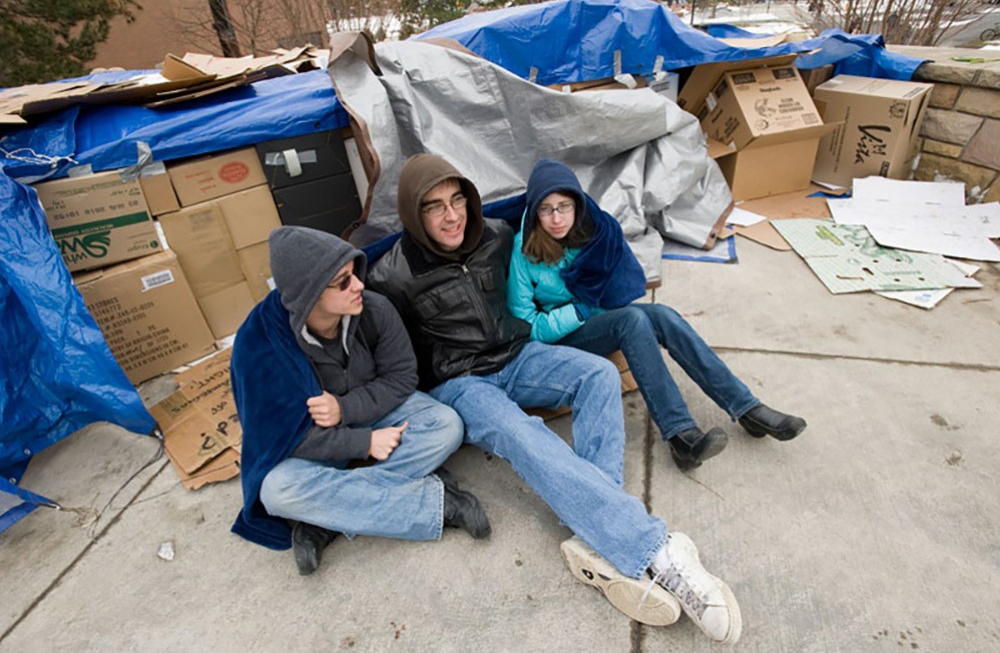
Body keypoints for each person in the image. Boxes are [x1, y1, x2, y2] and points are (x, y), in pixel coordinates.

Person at [367, 154, 742, 644]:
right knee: (520, 432)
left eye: (458, 200)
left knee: (597, 374)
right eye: (434, 207)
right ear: (413, 214)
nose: (452, 215)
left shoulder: (497, 236)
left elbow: (564, 222)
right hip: (460, 380)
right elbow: (382, 353)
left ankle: (596, 533)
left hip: (518, 354)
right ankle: (655, 551)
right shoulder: (391, 276)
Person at [507, 159, 807, 471]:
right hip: (558, 339)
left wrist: (598, 302)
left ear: (577, 205)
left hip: (594, 317)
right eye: (546, 209)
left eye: (564, 207)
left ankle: (746, 408)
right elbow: (526, 326)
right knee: (631, 320)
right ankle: (680, 434)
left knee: (663, 315)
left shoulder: (593, 232)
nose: (557, 218)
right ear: (535, 211)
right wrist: (578, 311)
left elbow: (614, 281)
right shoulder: (523, 248)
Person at [230, 226, 490, 576]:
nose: (358, 286)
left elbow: (401, 378)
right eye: (343, 282)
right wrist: (364, 443)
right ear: (308, 294)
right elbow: (282, 438)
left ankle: (326, 520)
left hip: (378, 410)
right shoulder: (261, 347)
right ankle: (437, 504)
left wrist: (345, 409)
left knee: (446, 425)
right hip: (316, 440)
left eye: (354, 273)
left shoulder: (374, 308)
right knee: (276, 490)